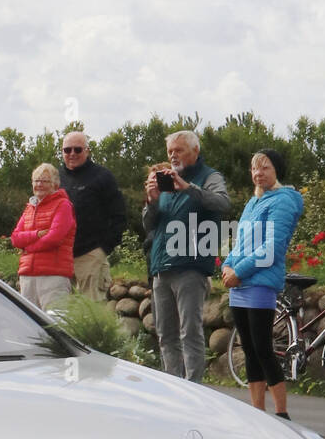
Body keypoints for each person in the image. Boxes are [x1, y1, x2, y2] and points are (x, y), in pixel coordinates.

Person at [221, 149, 303, 418]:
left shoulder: (283, 201)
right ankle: (258, 413)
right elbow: (240, 243)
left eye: (265, 168)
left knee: (262, 348)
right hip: (241, 283)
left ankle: (281, 413)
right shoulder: (254, 201)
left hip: (259, 283)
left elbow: (273, 247)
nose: (258, 173)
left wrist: (239, 272)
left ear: (276, 171)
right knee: (249, 350)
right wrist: (227, 266)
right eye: (254, 168)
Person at [143, 130, 231, 382]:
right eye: (170, 151)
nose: (173, 155)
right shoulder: (165, 182)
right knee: (166, 335)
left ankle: (194, 388)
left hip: (190, 266)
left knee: (190, 332)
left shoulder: (209, 177)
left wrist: (189, 188)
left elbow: (223, 204)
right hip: (161, 267)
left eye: (179, 150)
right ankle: (174, 388)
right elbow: (149, 226)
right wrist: (151, 201)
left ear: (195, 151)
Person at [58, 131, 126, 299]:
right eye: (67, 150)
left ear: (87, 151)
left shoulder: (102, 176)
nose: (72, 154)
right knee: (59, 312)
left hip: (91, 255)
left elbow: (119, 215)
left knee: (92, 314)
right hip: (60, 256)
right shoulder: (56, 178)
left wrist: (104, 248)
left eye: (77, 149)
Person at [10, 163, 76, 310]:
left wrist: (28, 247)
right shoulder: (30, 208)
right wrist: (36, 234)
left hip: (53, 275)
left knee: (56, 323)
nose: (39, 184)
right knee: (29, 324)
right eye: (36, 181)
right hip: (27, 274)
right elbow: (15, 238)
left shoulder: (63, 205)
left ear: (55, 184)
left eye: (44, 181)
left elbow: (54, 238)